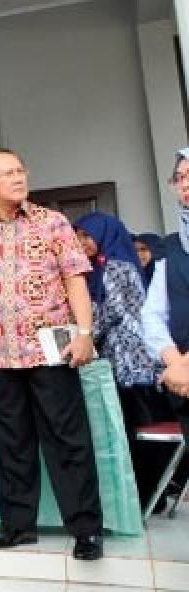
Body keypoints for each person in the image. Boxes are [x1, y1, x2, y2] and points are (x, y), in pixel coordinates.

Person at [0, 148, 103, 561]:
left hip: (52, 352)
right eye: (8, 173)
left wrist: (84, 334)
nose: (19, 178)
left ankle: (85, 530)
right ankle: (17, 527)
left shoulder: (53, 223)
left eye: (21, 170)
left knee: (67, 441)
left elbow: (76, 282)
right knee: (11, 444)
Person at [73, 212, 168, 506]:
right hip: (125, 357)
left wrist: (82, 334)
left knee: (139, 427)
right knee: (139, 427)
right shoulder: (104, 265)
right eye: (79, 236)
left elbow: (110, 312)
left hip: (131, 360)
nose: (82, 242)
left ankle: (150, 493)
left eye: (87, 236)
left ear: (104, 235)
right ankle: (152, 492)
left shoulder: (114, 266)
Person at [143, 150, 189, 432]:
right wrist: (174, 363)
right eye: (179, 178)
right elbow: (152, 314)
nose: (184, 184)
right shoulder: (170, 248)